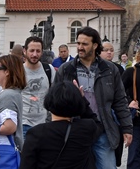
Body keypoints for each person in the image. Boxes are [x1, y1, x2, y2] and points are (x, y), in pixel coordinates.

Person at [55, 26, 133, 169]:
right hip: (74, 131)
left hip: (103, 130)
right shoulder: (66, 70)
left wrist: (127, 128)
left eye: (84, 44)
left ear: (95, 45)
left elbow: (120, 101)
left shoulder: (110, 69)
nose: (80, 47)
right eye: (78, 43)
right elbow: (54, 102)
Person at [20, 81, 102, 169]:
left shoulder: (36, 133)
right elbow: (96, 122)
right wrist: (82, 99)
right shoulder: (87, 128)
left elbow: (26, 165)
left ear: (49, 101)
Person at [22, 36, 54, 134]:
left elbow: (54, 95)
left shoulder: (49, 69)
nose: (34, 54)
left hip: (44, 124)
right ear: (25, 51)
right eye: (31, 50)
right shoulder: (18, 71)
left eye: (38, 51)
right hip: (23, 124)